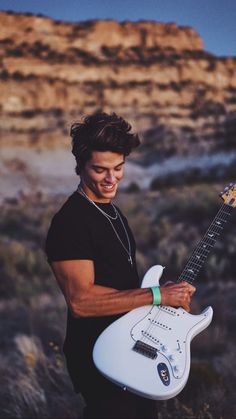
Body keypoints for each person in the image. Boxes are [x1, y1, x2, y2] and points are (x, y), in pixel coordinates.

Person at [45, 112, 195, 418]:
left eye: (118, 168)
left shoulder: (114, 214)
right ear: (81, 166)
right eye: (100, 170)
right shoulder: (71, 222)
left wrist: (162, 293)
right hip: (101, 356)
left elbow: (121, 285)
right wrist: (156, 296)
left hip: (133, 348)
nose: (111, 179)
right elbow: (81, 301)